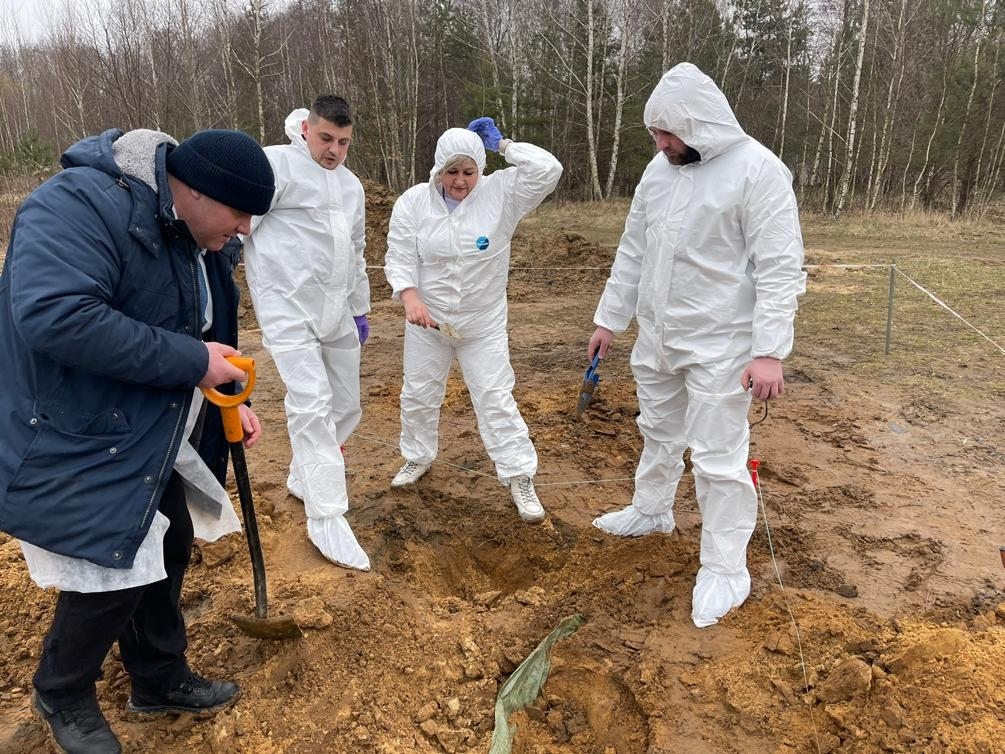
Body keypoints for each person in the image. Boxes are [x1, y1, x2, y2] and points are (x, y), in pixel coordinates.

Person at [0, 127, 275, 753]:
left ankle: (156, 678)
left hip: (141, 421)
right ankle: (62, 690)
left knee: (171, 539)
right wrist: (191, 364)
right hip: (72, 423)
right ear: (199, 191)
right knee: (116, 559)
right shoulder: (76, 205)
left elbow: (203, 327)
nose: (243, 231)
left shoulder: (194, 233)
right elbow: (54, 314)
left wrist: (228, 389)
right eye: (239, 215)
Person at [587, 62, 806, 628]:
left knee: (717, 458)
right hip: (660, 336)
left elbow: (780, 267)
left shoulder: (758, 171)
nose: (659, 144)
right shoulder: (658, 173)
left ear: (700, 123)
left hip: (723, 345)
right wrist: (610, 320)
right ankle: (652, 509)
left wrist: (769, 351)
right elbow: (633, 250)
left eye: (668, 133)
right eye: (654, 134)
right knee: (657, 430)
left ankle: (726, 567)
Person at [383, 118, 562, 522]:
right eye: (451, 172)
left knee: (494, 396)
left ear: (481, 169)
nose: (460, 182)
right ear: (437, 170)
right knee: (418, 394)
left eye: (469, 172)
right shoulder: (414, 202)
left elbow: (549, 170)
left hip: (481, 325)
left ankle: (519, 475)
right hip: (428, 324)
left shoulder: (503, 193)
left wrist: (505, 145)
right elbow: (398, 254)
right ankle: (417, 456)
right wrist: (409, 295)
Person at [241, 95, 371, 571]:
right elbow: (238, 225)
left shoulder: (352, 186)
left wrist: (359, 306)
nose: (334, 149)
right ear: (306, 129)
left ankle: (303, 476)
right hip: (287, 308)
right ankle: (327, 515)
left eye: (343, 142)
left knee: (345, 404)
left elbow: (356, 249)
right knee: (312, 402)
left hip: (336, 311)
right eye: (326, 138)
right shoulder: (277, 167)